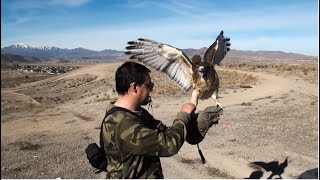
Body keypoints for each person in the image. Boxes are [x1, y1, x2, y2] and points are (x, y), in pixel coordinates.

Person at [101, 61, 221, 178]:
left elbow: (165, 132)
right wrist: (183, 115)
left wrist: (198, 121)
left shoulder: (136, 113)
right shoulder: (122, 123)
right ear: (134, 87)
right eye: (149, 85)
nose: (152, 89)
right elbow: (168, 144)